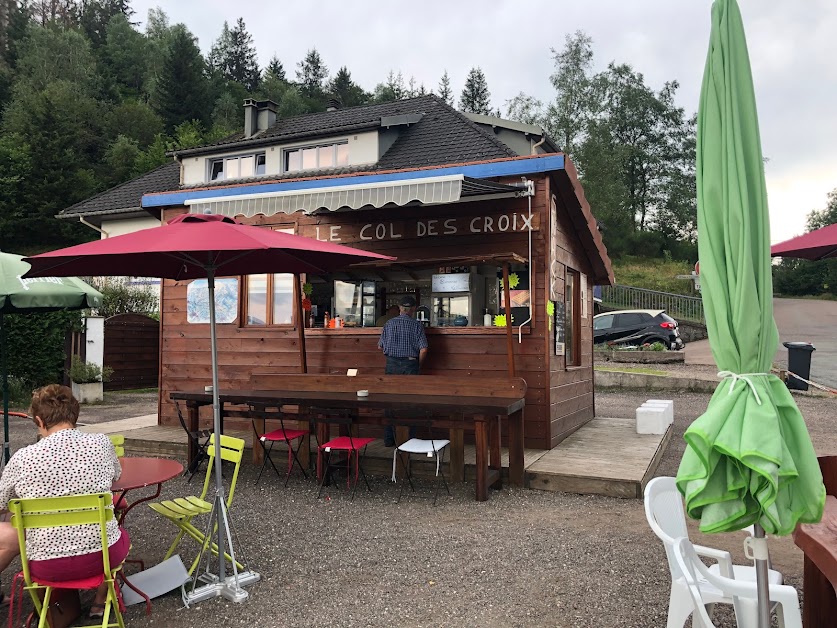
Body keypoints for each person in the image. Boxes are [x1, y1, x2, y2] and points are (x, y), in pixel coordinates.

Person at [0, 385, 128, 618]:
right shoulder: (102, 444)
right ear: (75, 415)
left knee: (10, 530)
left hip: (46, 566)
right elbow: (115, 476)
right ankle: (100, 602)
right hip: (101, 560)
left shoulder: (22, 458)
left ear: (39, 420)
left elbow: (2, 502)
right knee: (118, 528)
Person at [378, 295, 429, 446]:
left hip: (391, 364)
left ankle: (389, 439)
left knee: (389, 402)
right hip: (410, 364)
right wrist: (419, 365)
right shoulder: (417, 325)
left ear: (400, 308)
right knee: (410, 402)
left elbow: (380, 346)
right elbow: (424, 349)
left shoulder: (388, 324)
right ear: (413, 309)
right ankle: (409, 439)